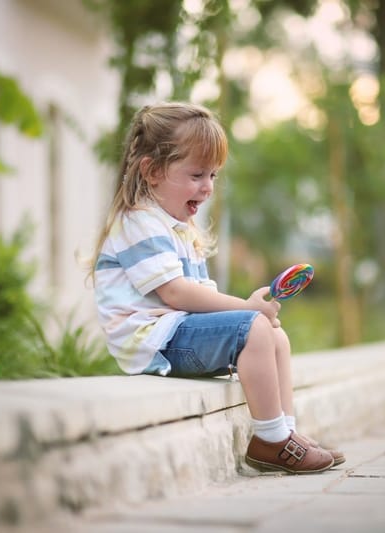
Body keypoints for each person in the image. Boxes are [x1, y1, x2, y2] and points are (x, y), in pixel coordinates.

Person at [89, 102, 344, 474]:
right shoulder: (140, 221)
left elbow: (200, 296)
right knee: (255, 327)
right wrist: (247, 308)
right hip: (154, 342)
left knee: (276, 336)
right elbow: (176, 295)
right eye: (196, 175)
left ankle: (285, 432)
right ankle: (270, 441)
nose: (207, 188)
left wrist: (249, 311)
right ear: (152, 170)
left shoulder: (178, 228)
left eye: (213, 175)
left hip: (177, 333)